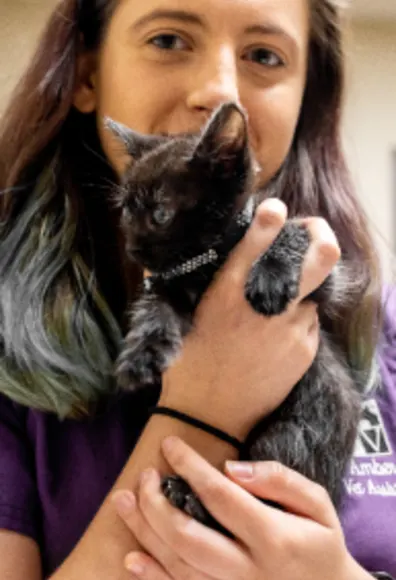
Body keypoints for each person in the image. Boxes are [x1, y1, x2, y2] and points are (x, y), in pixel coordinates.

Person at [0, 0, 391, 578]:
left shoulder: (384, 325)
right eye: (168, 40)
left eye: (264, 54)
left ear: (307, 95)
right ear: (86, 75)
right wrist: (206, 411)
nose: (219, 91)